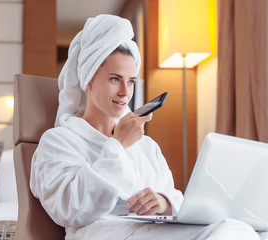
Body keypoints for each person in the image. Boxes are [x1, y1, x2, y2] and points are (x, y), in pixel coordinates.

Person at [30, 14, 261, 239]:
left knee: (238, 228)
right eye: (115, 79)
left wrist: (163, 202)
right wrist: (118, 146)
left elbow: (175, 197)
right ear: (88, 80)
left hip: (153, 230)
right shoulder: (59, 141)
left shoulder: (146, 146)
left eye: (130, 81)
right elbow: (70, 209)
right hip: (102, 233)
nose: (125, 92)